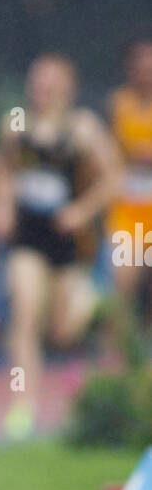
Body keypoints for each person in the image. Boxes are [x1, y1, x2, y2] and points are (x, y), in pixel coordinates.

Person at [0, 54, 120, 438]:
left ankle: (91, 304)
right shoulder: (14, 124)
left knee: (63, 331)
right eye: (38, 81)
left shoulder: (83, 128)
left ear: (68, 87)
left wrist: (81, 210)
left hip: (67, 239)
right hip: (28, 235)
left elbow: (113, 176)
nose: (43, 89)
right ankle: (22, 406)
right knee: (25, 314)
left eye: (52, 82)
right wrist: (1, 208)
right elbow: (3, 170)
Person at [108, 40, 152, 320]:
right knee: (124, 283)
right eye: (140, 65)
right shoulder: (118, 104)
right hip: (129, 208)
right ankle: (119, 355)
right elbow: (110, 155)